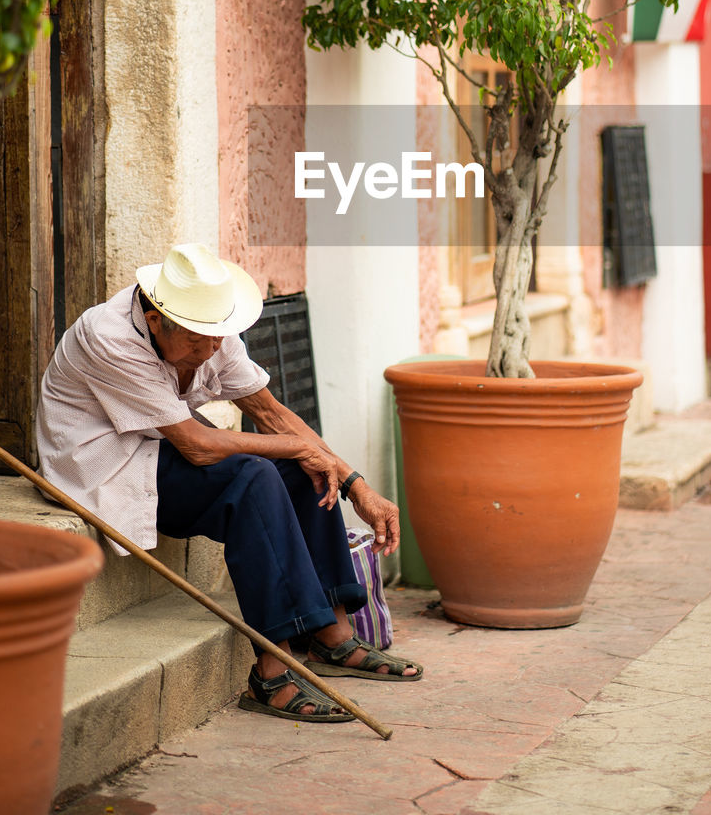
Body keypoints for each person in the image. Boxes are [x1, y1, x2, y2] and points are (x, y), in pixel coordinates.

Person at [36, 242, 422, 724]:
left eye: (217, 338)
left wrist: (356, 485)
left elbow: (271, 414)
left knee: (297, 468)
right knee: (255, 475)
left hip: (161, 450)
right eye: (199, 342)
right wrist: (296, 449)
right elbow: (197, 445)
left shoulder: (212, 328)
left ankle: (332, 636)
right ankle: (272, 672)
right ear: (156, 318)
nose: (211, 349)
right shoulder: (107, 335)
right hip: (104, 467)